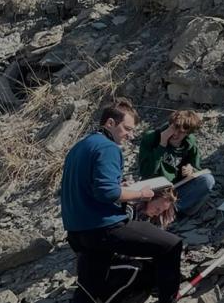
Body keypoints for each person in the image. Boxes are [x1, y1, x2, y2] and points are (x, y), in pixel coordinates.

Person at [61, 98, 184, 303]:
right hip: (104, 228)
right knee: (171, 245)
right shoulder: (109, 148)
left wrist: (121, 188)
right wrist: (141, 194)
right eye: (127, 128)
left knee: (90, 288)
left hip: (77, 232)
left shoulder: (79, 147)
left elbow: (89, 187)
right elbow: (107, 192)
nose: (130, 135)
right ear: (110, 123)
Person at [136, 110, 215, 215]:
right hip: (155, 189)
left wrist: (191, 169)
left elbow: (197, 168)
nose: (176, 134)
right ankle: (164, 211)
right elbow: (146, 172)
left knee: (207, 180)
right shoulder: (151, 138)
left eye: (181, 132)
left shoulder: (189, 143)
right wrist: (162, 144)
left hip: (175, 188)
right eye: (174, 128)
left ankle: (171, 211)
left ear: (188, 133)